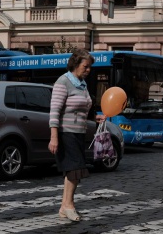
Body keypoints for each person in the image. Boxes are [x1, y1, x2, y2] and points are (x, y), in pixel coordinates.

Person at [48, 48, 104, 222]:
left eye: (89, 67)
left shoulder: (82, 84)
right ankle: (69, 205)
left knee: (72, 171)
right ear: (76, 64)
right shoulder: (63, 82)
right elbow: (54, 111)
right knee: (75, 169)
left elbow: (82, 107)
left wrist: (95, 117)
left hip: (79, 132)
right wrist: (54, 137)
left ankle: (65, 206)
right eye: (86, 66)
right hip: (66, 133)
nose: (88, 70)